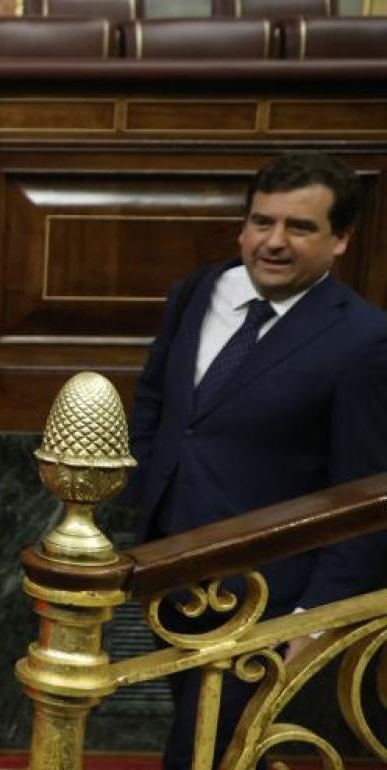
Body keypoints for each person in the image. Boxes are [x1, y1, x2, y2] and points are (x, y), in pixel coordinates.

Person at [126, 151, 387, 770]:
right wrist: (143, 484)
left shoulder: (366, 340)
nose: (274, 242)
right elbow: (159, 397)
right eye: (262, 222)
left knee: (203, 753)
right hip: (171, 573)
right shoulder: (199, 290)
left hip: (267, 599)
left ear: (341, 239)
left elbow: (368, 493)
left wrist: (313, 620)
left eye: (300, 227)